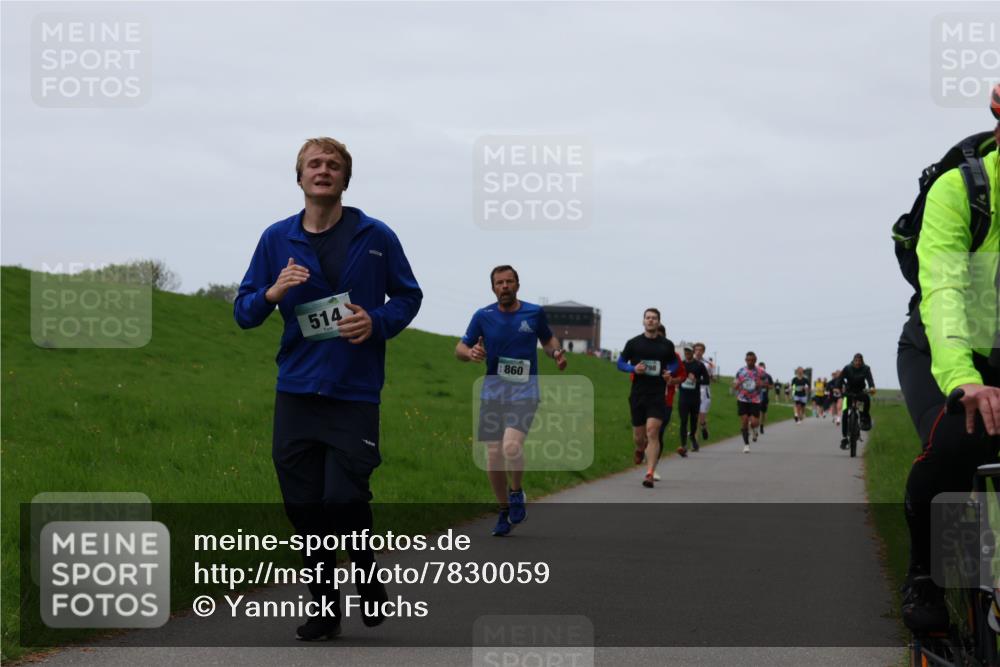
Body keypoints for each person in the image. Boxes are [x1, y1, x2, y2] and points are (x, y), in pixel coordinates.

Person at [234, 137, 423, 640]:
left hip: (354, 391)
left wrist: (376, 321)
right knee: (304, 508)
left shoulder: (376, 236)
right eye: (314, 164)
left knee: (342, 499)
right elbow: (244, 311)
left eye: (333, 165)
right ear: (299, 177)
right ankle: (324, 608)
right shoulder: (277, 238)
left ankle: (365, 572)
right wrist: (272, 292)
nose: (323, 170)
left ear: (345, 179)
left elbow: (409, 296)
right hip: (297, 390)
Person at [898, 87, 1000, 633]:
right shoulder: (961, 190)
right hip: (941, 352)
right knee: (961, 440)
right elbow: (944, 294)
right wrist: (963, 379)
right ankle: (926, 577)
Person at [456, 266, 567, 536]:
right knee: (494, 454)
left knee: (511, 446)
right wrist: (470, 353)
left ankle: (516, 491)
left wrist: (556, 353)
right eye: (499, 283)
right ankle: (504, 510)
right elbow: (460, 348)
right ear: (493, 288)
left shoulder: (533, 313)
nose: (504, 286)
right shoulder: (483, 316)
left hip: (525, 392)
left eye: (509, 281)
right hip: (493, 393)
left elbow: (548, 340)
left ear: (517, 285)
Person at [618, 309, 676, 487]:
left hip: (657, 394)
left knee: (652, 432)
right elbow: (620, 363)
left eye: (654, 318)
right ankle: (639, 448)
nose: (651, 320)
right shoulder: (633, 343)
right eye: (648, 318)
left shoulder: (667, 345)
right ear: (643, 321)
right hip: (638, 394)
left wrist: (669, 372)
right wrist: (633, 369)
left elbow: (674, 363)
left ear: (658, 322)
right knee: (639, 436)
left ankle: (649, 473)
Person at [677, 344, 710, 455]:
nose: (687, 353)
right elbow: (674, 375)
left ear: (692, 352)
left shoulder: (699, 365)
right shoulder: (681, 364)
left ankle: (692, 438)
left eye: (689, 351)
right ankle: (683, 445)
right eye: (685, 351)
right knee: (683, 421)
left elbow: (707, 380)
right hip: (683, 397)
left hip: (695, 398)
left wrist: (696, 380)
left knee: (693, 422)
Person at [838, 354, 876, 449]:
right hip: (848, 393)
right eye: (856, 361)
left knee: (866, 400)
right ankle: (844, 438)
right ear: (853, 361)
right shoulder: (847, 368)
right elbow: (840, 379)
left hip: (860, 392)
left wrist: (872, 387)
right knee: (845, 413)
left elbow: (870, 380)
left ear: (862, 361)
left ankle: (864, 418)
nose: (858, 362)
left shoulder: (866, 368)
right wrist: (837, 387)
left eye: (859, 361)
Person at [732, 351, 767, 453]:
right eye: (748, 360)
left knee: (754, 422)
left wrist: (761, 384)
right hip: (742, 399)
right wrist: (739, 383)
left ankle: (755, 429)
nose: (750, 362)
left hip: (755, 399)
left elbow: (767, 384)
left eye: (752, 360)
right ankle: (746, 445)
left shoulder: (760, 371)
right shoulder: (741, 371)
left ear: (755, 360)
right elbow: (734, 386)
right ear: (745, 360)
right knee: (744, 421)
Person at [693, 342, 713, 440]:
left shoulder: (707, 364)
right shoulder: (689, 362)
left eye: (700, 350)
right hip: (693, 390)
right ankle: (695, 440)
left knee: (701, 416)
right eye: (696, 350)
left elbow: (710, 378)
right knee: (694, 416)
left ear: (703, 351)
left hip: (704, 391)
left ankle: (704, 426)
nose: (698, 352)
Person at [757, 362, 774, 434]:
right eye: (759, 367)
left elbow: (772, 386)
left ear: (765, 368)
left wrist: (767, 386)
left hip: (765, 396)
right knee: (757, 412)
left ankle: (761, 425)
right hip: (756, 396)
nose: (761, 369)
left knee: (763, 412)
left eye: (762, 367)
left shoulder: (768, 376)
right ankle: (755, 426)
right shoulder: (755, 375)